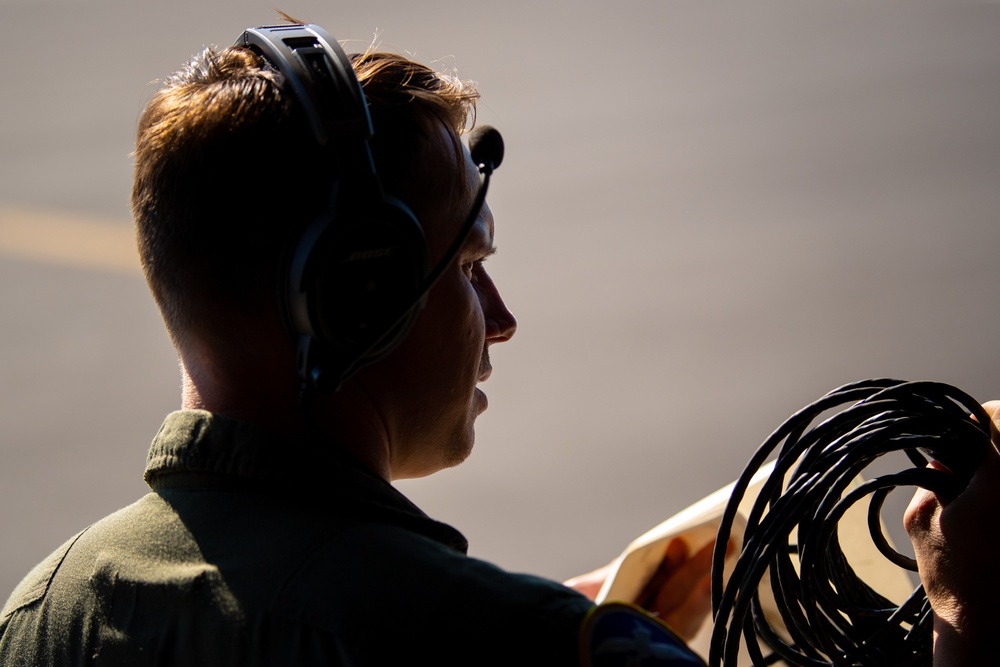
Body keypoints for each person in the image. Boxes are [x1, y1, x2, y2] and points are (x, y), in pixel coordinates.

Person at [0, 21, 714, 666]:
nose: (501, 319)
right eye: (467, 268)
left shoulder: (36, 620)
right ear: (358, 298)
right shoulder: (519, 641)